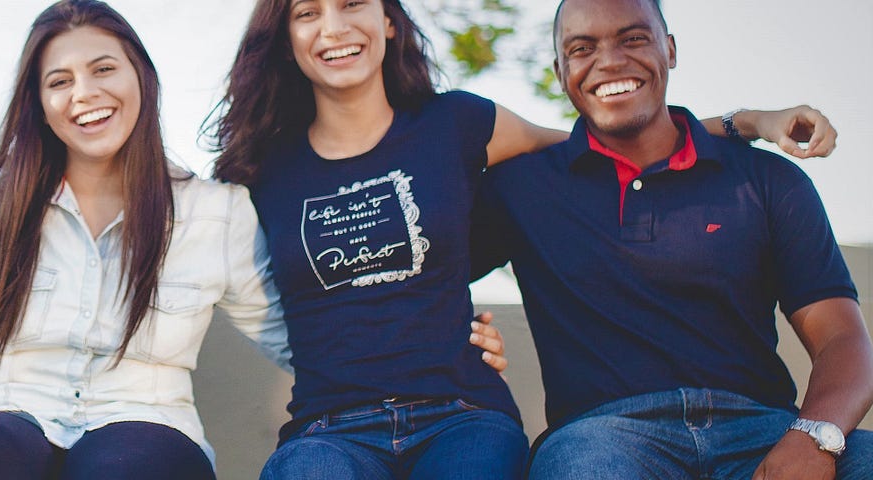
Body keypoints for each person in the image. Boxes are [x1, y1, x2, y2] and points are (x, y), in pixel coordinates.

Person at [0, 2, 509, 479]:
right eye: (59, 81)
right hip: (11, 412)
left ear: (142, 81)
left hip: (148, 425)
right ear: (39, 103)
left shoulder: (216, 213)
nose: (85, 94)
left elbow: (307, 336)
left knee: (128, 464)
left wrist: (443, 334)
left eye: (103, 70)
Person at [204, 0, 837, 478]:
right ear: (284, 38)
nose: (334, 27)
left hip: (463, 414)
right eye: (306, 12)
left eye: (352, 4)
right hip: (330, 425)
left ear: (389, 21)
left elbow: (608, 140)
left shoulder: (458, 123)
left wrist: (745, 121)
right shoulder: (260, 168)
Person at [471, 0, 872, 478]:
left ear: (671, 49)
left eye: (633, 38)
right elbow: (408, 274)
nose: (610, 60)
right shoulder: (521, 187)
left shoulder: (766, 179)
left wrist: (814, 437)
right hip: (603, 438)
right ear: (561, 71)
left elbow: (842, 337)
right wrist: (462, 333)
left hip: (761, 431)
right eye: (582, 48)